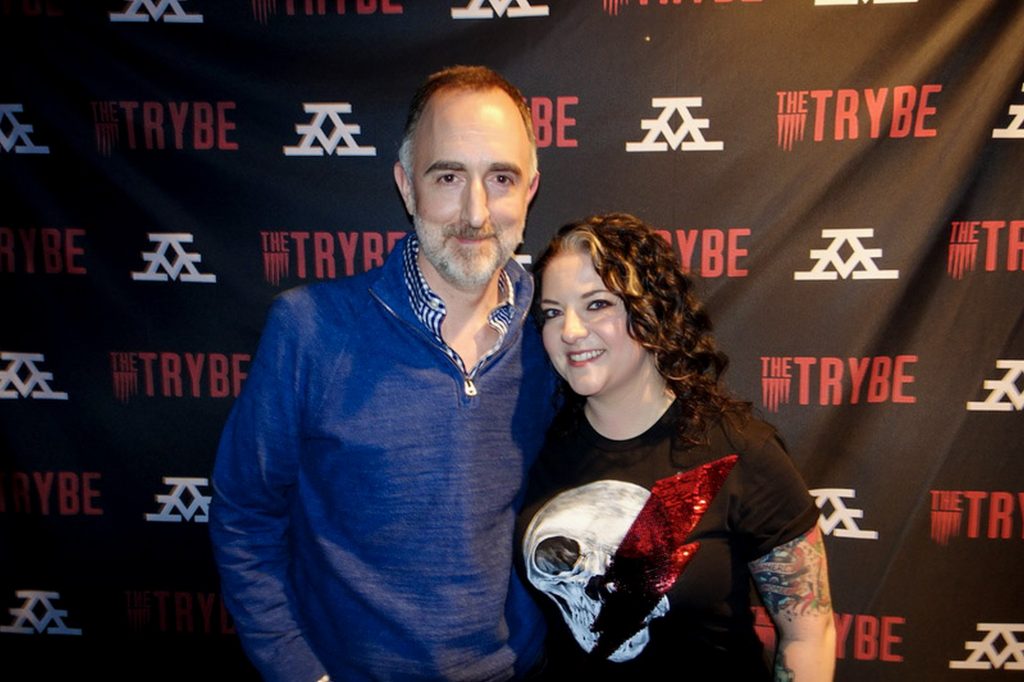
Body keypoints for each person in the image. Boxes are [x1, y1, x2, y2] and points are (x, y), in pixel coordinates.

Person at [210, 66, 557, 681]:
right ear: (406, 185)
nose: (475, 212)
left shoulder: (554, 345)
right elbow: (244, 515)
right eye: (448, 176)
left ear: (529, 189)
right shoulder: (310, 329)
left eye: (499, 178)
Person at [519, 213, 836, 679]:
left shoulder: (740, 449)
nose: (569, 330)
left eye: (597, 304)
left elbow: (809, 632)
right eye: (552, 312)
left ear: (652, 311)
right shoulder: (537, 448)